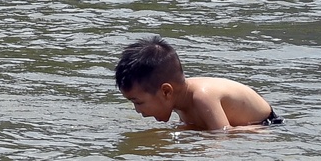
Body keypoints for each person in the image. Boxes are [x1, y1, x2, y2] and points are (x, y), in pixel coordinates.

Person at [114, 36, 280, 131]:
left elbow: (223, 137)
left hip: (267, 126)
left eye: (138, 102)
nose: (137, 110)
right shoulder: (178, 98)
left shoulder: (202, 97)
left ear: (166, 92)